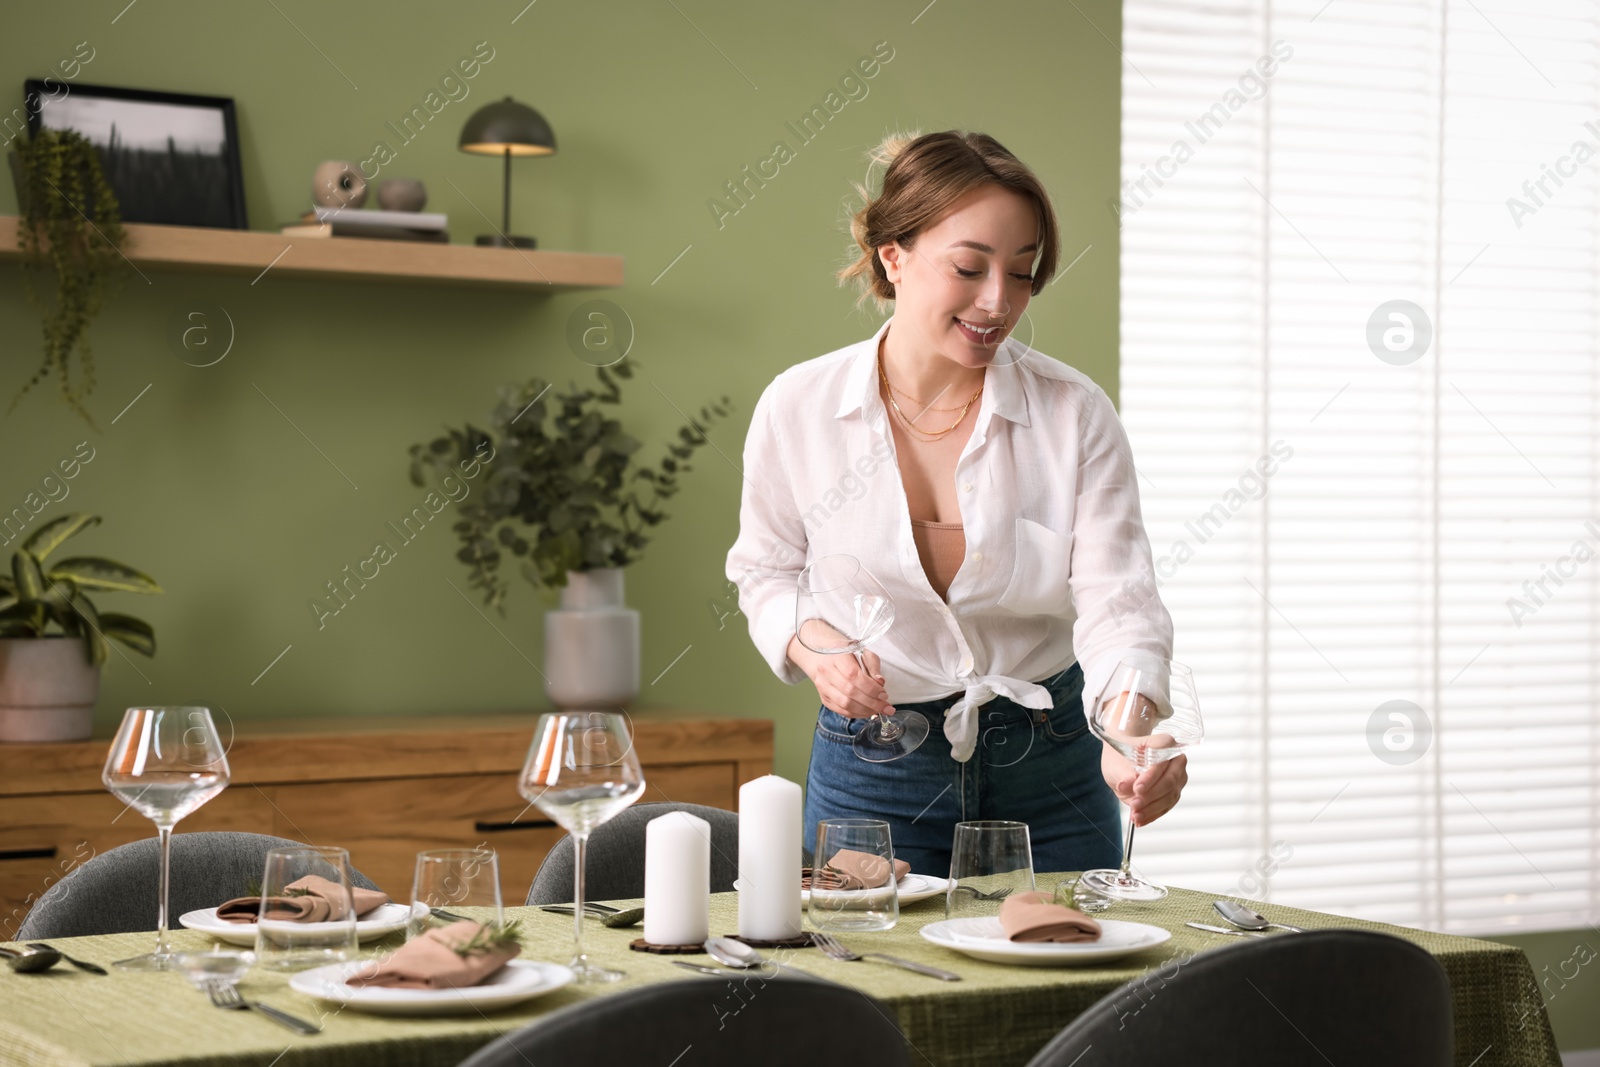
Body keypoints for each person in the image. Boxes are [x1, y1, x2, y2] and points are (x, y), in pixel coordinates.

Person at [724, 130, 1184, 875]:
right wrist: (817, 653)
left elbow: (1119, 604)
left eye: (1024, 273)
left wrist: (1131, 736)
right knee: (866, 985)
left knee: (1076, 987)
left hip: (1056, 770)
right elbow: (766, 572)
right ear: (893, 255)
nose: (999, 301)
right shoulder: (798, 408)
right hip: (873, 774)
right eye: (968, 267)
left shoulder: (1074, 414)